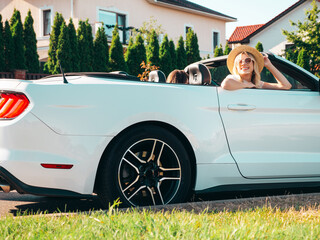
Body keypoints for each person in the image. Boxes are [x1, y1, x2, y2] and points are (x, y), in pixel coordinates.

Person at [221, 45, 292, 90]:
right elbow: (225, 84)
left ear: (253, 64)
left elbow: (286, 85)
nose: (243, 63)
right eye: (240, 62)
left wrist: (269, 65)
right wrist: (246, 85)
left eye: (247, 60)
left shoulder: (257, 84)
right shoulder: (233, 78)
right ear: (236, 67)